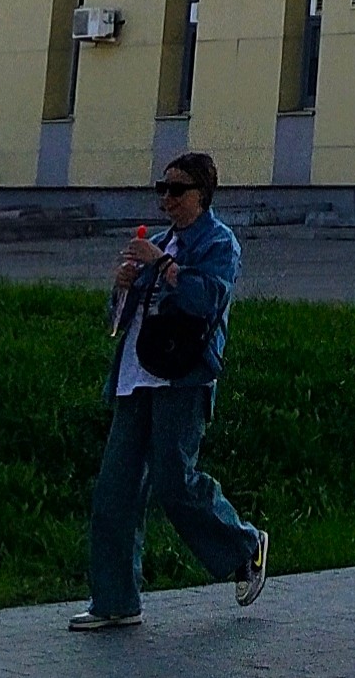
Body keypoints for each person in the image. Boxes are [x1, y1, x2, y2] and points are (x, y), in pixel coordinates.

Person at [73, 150, 271, 630]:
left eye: (178, 189)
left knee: (174, 482)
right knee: (115, 491)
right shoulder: (159, 242)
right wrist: (123, 287)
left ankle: (244, 546)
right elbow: (117, 322)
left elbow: (206, 299)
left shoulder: (218, 242)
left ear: (203, 194)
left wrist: (162, 264)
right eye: (162, 189)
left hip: (183, 377)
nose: (167, 198)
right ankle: (114, 601)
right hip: (135, 377)